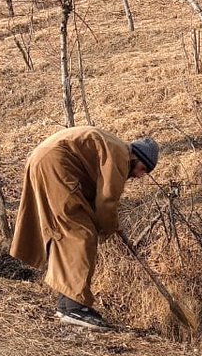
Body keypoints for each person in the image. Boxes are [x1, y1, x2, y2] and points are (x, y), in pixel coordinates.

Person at [9, 127, 159, 330]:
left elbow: (96, 192)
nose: (141, 176)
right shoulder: (120, 156)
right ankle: (74, 306)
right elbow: (107, 200)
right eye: (143, 169)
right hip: (54, 163)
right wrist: (109, 227)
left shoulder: (114, 149)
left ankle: (66, 301)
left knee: (69, 232)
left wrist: (105, 223)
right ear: (137, 156)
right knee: (81, 234)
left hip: (44, 160)